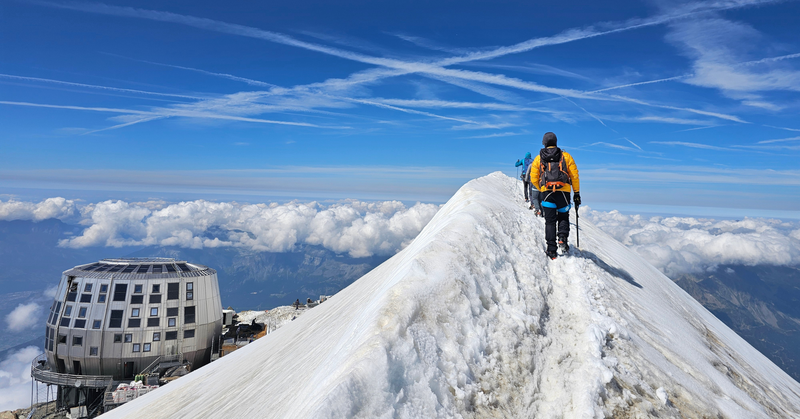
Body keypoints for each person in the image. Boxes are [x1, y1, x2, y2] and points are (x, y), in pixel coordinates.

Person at [530, 132, 581, 259]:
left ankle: (551, 250)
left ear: (544, 143)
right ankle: (562, 238)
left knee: (550, 221)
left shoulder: (538, 158)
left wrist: (541, 188)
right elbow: (574, 176)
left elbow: (533, 177)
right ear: (556, 142)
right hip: (563, 193)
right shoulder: (566, 156)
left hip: (547, 193)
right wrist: (576, 193)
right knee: (563, 216)